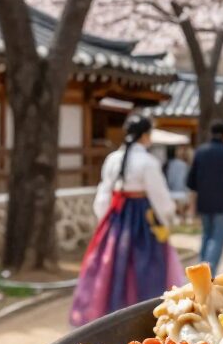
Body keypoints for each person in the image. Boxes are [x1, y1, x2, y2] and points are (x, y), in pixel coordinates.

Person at [70, 115, 184, 326]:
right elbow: (159, 195)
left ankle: (109, 310)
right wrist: (168, 218)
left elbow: (104, 191)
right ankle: (144, 314)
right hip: (142, 219)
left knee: (111, 264)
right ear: (145, 135)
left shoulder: (113, 158)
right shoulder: (148, 162)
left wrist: (103, 218)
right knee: (146, 265)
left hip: (117, 216)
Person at [187, 120, 223, 273]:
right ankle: (210, 269)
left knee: (206, 234)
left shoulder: (200, 151)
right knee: (218, 237)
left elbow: (191, 180)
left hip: (204, 200)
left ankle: (200, 267)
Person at [163, 146, 190, 220]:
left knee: (172, 216)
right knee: (182, 216)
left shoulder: (167, 164)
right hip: (182, 193)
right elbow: (187, 179)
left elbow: (169, 179)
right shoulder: (183, 165)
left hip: (170, 193)